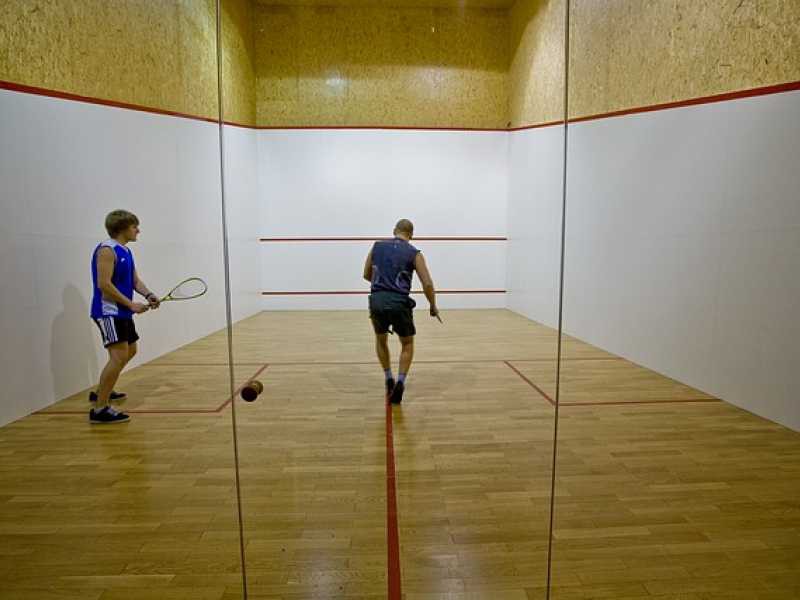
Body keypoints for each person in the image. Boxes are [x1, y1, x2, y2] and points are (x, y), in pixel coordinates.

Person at [89, 210, 159, 424]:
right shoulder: (106, 250)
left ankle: (103, 389)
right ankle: (100, 409)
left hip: (122, 312)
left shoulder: (126, 251)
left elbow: (135, 280)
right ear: (122, 228)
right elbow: (104, 285)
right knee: (118, 357)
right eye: (134, 226)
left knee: (131, 350)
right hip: (108, 312)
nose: (138, 230)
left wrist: (148, 294)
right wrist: (131, 304)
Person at [363, 219, 438, 404]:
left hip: (377, 300)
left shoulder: (377, 247)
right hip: (399, 302)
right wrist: (433, 305)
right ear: (411, 235)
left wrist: (383, 283)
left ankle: (388, 377)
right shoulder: (414, 253)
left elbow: (366, 274)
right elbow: (427, 284)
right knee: (407, 343)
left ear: (394, 231)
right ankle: (400, 382)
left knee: (381, 339)